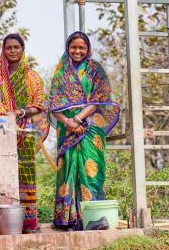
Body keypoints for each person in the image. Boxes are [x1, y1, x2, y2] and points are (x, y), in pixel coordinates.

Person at [48, 31, 120, 231]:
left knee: (90, 170)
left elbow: (99, 98)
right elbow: (53, 103)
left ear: (88, 49)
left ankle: (93, 218)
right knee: (68, 169)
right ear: (68, 48)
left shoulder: (95, 69)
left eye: (82, 47)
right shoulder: (61, 71)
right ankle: (69, 219)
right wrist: (68, 122)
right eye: (74, 47)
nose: (77, 51)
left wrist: (78, 119)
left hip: (90, 128)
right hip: (67, 129)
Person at [0, 33, 49, 234]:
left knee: (26, 177)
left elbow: (39, 105)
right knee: (3, 177)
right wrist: (7, 116)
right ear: (3, 50)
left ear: (23, 50)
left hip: (26, 134)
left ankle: (29, 223)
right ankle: (5, 224)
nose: (12, 51)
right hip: (4, 132)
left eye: (16, 47)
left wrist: (20, 112)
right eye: (8, 48)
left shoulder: (32, 77)